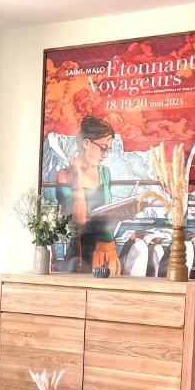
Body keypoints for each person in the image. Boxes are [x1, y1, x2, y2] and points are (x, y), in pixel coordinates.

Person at [54, 116, 121, 274]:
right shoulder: (65, 176)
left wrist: (124, 211)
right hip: (81, 254)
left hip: (107, 249)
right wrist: (77, 176)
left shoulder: (105, 173)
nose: (106, 155)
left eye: (109, 149)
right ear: (86, 143)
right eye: (103, 148)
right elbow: (80, 218)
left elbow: (106, 212)